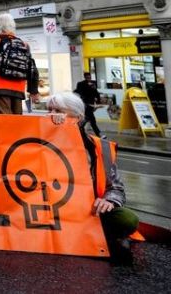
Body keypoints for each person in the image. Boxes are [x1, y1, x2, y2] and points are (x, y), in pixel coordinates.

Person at [47, 92, 139, 264]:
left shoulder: (98, 147)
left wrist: (108, 201)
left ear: (78, 117)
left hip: (87, 211)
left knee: (127, 219)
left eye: (58, 110)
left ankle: (103, 239)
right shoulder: (40, 141)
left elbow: (116, 188)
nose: (51, 115)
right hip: (50, 212)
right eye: (49, 110)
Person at [0, 13, 39, 114]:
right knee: (16, 122)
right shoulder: (24, 44)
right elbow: (32, 69)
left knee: (4, 122)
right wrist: (33, 91)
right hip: (18, 90)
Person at [74, 71, 103, 137]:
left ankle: (78, 128)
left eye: (89, 77)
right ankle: (98, 134)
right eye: (87, 77)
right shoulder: (81, 84)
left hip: (91, 103)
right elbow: (78, 91)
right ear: (85, 77)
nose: (88, 78)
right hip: (85, 104)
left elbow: (96, 93)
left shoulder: (93, 84)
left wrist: (98, 101)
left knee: (87, 118)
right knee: (92, 119)